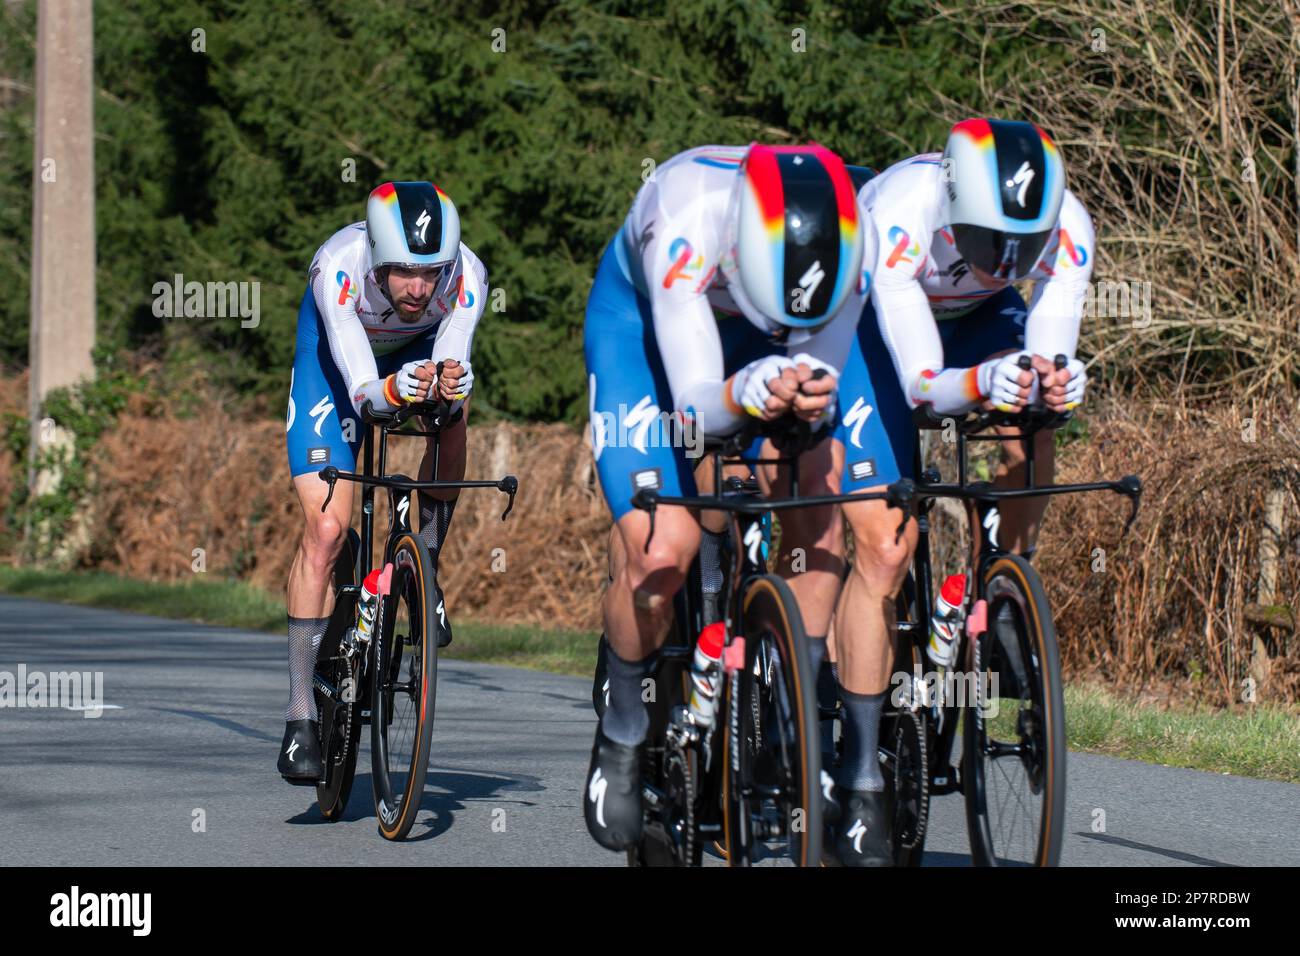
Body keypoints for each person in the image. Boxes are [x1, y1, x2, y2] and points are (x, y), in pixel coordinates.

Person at [582, 142, 896, 856]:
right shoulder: (681, 215)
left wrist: (802, 399)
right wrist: (743, 394)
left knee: (819, 490)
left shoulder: (861, 241)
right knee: (662, 553)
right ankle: (625, 726)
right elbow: (695, 409)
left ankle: (798, 716)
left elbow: (821, 374)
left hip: (766, 326)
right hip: (647, 333)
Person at [827, 118, 1095, 863]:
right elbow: (921, 388)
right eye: (988, 241)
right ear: (953, 209)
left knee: (1033, 415)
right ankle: (857, 772)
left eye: (1023, 245)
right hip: (877, 332)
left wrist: (1053, 380)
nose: (1006, 259)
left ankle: (1006, 585)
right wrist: (980, 381)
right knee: (884, 546)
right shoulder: (899, 215)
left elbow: (1051, 338)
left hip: (975, 322)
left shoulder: (1067, 223)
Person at [278, 181, 486, 782]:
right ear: (374, 256)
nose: (420, 289)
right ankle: (298, 714)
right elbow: (363, 384)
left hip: (411, 355)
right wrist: (389, 393)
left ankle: (426, 561)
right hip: (335, 365)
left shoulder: (467, 275)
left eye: (431, 274)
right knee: (326, 529)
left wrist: (447, 382)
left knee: (452, 410)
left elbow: (453, 349)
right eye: (401, 273)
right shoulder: (337, 266)